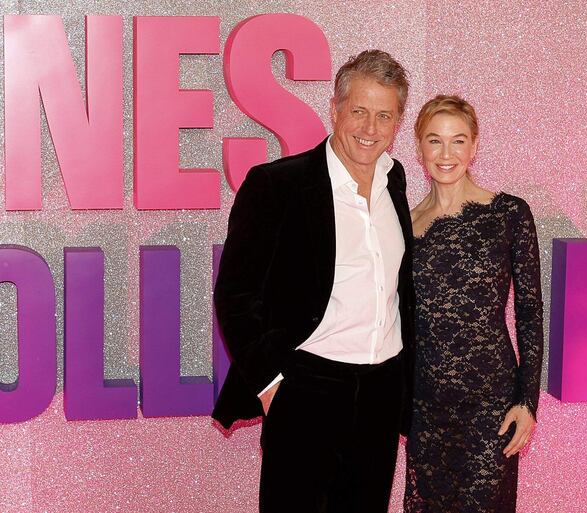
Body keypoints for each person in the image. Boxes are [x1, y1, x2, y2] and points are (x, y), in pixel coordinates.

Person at [211, 50, 415, 513]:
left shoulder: (394, 181)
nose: (369, 128)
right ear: (335, 108)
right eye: (359, 111)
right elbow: (236, 295)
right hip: (307, 387)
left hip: (382, 391)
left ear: (398, 121)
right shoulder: (276, 185)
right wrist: (271, 386)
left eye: (384, 116)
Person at [403, 95, 544, 513]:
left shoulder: (509, 213)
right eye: (435, 141)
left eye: (458, 141)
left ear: (474, 145)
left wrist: (527, 401)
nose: (446, 154)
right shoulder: (403, 225)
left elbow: (530, 312)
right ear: (419, 147)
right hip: (426, 406)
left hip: (492, 403)